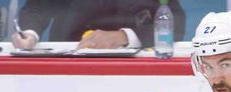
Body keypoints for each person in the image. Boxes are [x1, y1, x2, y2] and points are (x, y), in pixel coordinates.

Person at [11, 0, 185, 50]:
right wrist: (29, 34)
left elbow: (175, 21)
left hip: (131, 70)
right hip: (68, 66)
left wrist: (125, 36)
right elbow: (37, 7)